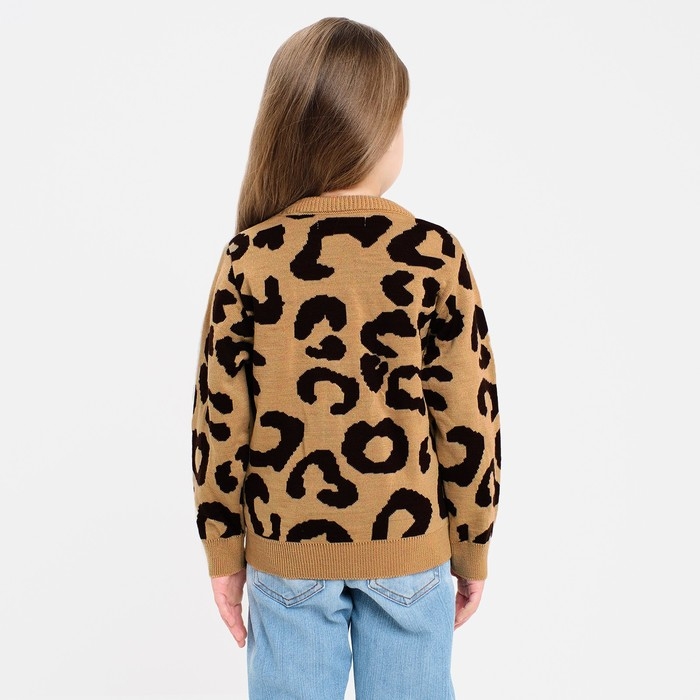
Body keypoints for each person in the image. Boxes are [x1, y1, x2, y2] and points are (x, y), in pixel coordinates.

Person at [190, 16, 501, 700]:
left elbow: (218, 421)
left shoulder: (250, 258)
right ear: (374, 130)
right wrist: (472, 543)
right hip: (410, 548)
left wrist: (224, 551)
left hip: (287, 553)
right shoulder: (433, 254)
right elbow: (469, 416)